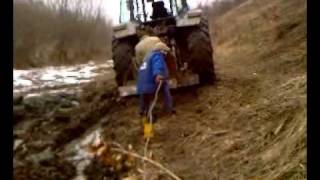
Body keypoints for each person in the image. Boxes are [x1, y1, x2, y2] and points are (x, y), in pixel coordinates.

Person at [136, 41, 175, 117]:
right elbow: (157, 64)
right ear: (162, 51)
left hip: (141, 85)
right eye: (165, 52)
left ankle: (142, 110)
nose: (166, 54)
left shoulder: (147, 57)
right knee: (165, 86)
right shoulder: (157, 55)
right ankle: (169, 108)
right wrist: (158, 74)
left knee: (144, 97)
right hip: (150, 83)